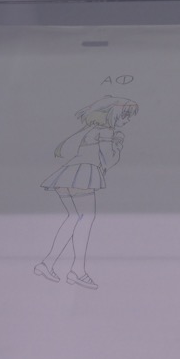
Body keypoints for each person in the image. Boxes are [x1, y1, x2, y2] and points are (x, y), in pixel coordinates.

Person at [34, 95, 139, 289]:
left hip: (67, 175)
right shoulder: (106, 131)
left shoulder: (90, 129)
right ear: (114, 113)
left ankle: (48, 263)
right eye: (125, 116)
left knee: (74, 218)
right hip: (83, 175)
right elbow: (108, 160)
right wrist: (117, 145)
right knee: (85, 220)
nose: (127, 120)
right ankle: (77, 270)